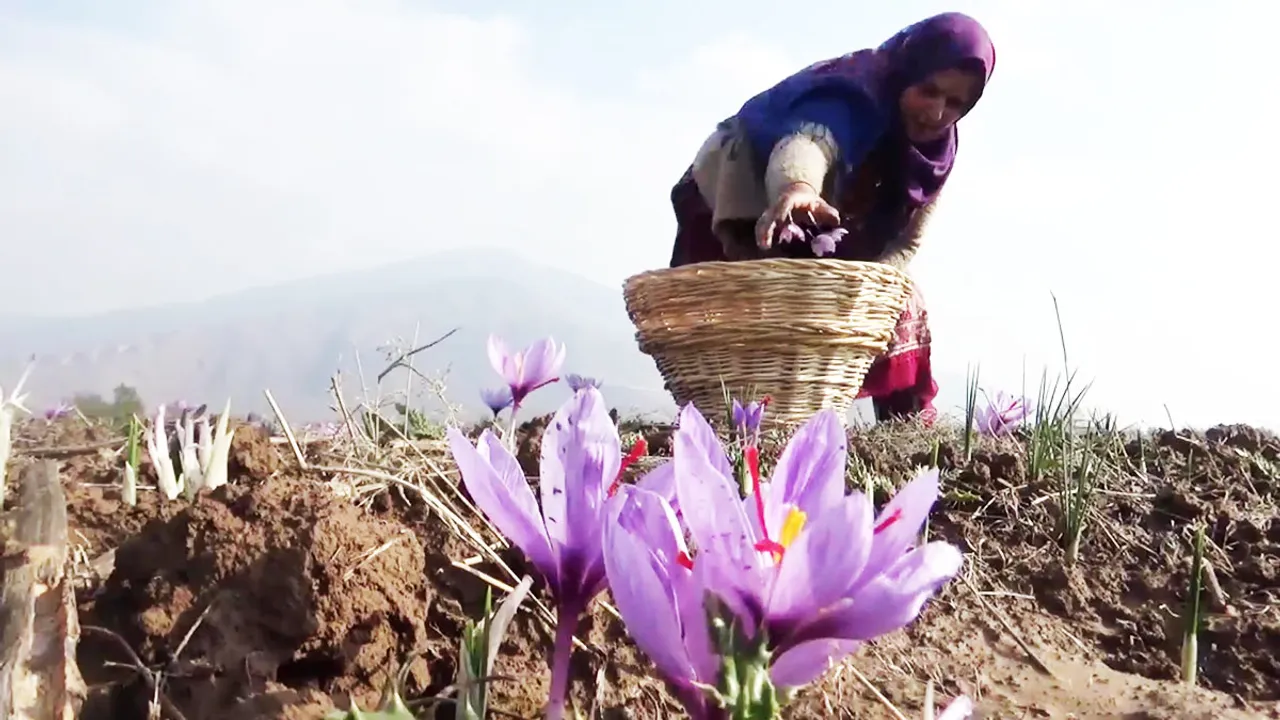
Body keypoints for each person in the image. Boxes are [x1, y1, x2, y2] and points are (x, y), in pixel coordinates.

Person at [666, 12, 996, 425]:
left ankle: (907, 425)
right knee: (739, 309)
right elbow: (807, 142)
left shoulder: (935, 154)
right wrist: (797, 187)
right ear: (908, 72)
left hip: (833, 226)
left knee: (897, 300)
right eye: (928, 90)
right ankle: (731, 422)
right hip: (747, 191)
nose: (936, 112)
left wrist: (869, 287)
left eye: (955, 103)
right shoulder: (856, 94)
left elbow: (907, 240)